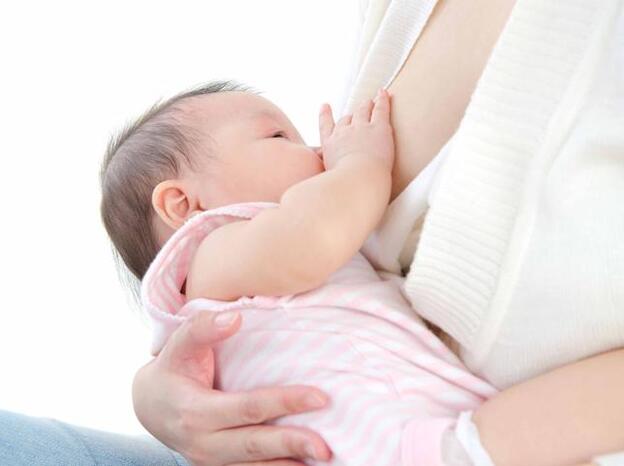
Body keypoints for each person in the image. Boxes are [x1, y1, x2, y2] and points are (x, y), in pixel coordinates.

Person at [130, 0, 624, 465]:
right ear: (182, 204)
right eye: (280, 137)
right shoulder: (210, 254)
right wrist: (360, 163)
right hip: (409, 449)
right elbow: (316, 238)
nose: (317, 150)